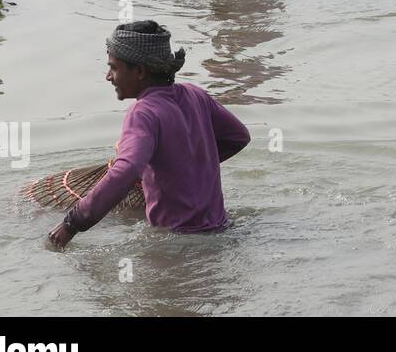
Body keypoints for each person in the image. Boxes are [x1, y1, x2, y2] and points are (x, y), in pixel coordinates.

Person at [46, 20, 251, 246]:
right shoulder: (195, 95)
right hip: (221, 229)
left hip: (177, 243)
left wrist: (72, 223)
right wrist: (188, 168)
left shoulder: (143, 113)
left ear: (140, 71)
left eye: (114, 67)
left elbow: (125, 171)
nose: (108, 76)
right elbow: (239, 136)